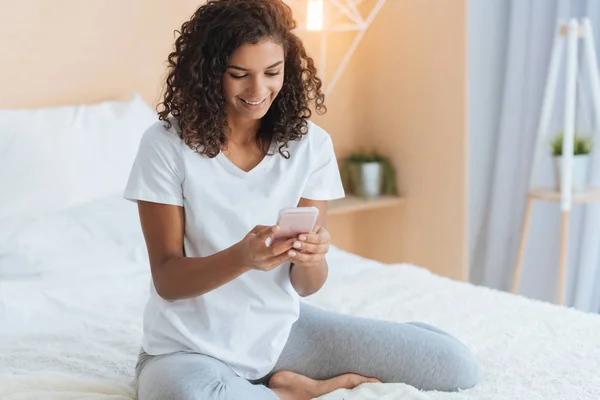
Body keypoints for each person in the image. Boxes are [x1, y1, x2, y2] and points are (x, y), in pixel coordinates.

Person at [123, 0, 478, 399]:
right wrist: (242, 257)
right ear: (208, 74)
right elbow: (168, 280)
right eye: (239, 74)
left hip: (280, 334)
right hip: (187, 349)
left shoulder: (310, 145)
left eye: (272, 73)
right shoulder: (165, 146)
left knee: (454, 366)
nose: (259, 91)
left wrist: (314, 256)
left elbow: (307, 286)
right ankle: (294, 391)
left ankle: (282, 382)